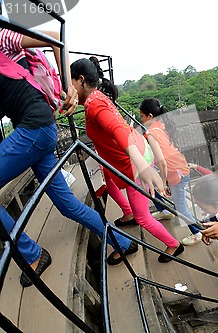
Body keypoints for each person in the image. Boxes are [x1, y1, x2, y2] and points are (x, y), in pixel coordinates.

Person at [0, 26, 138, 286]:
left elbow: (54, 35)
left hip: (33, 130)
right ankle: (123, 241)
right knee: (68, 206)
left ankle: (32, 254)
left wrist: (68, 87)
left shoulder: (2, 37)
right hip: (40, 132)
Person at [70, 58, 182, 264]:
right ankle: (127, 212)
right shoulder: (95, 98)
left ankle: (174, 244)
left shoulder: (96, 105)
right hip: (131, 155)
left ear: (80, 80)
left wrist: (141, 165)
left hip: (135, 164)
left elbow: (117, 130)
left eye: (70, 81)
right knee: (107, 177)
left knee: (143, 218)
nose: (68, 87)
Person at [139, 98, 202, 246]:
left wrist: (164, 181)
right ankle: (165, 211)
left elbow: (161, 162)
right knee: (152, 184)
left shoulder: (151, 133)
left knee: (181, 208)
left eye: (142, 116)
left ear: (149, 116)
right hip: (178, 166)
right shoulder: (161, 124)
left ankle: (197, 232)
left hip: (176, 172)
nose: (141, 119)